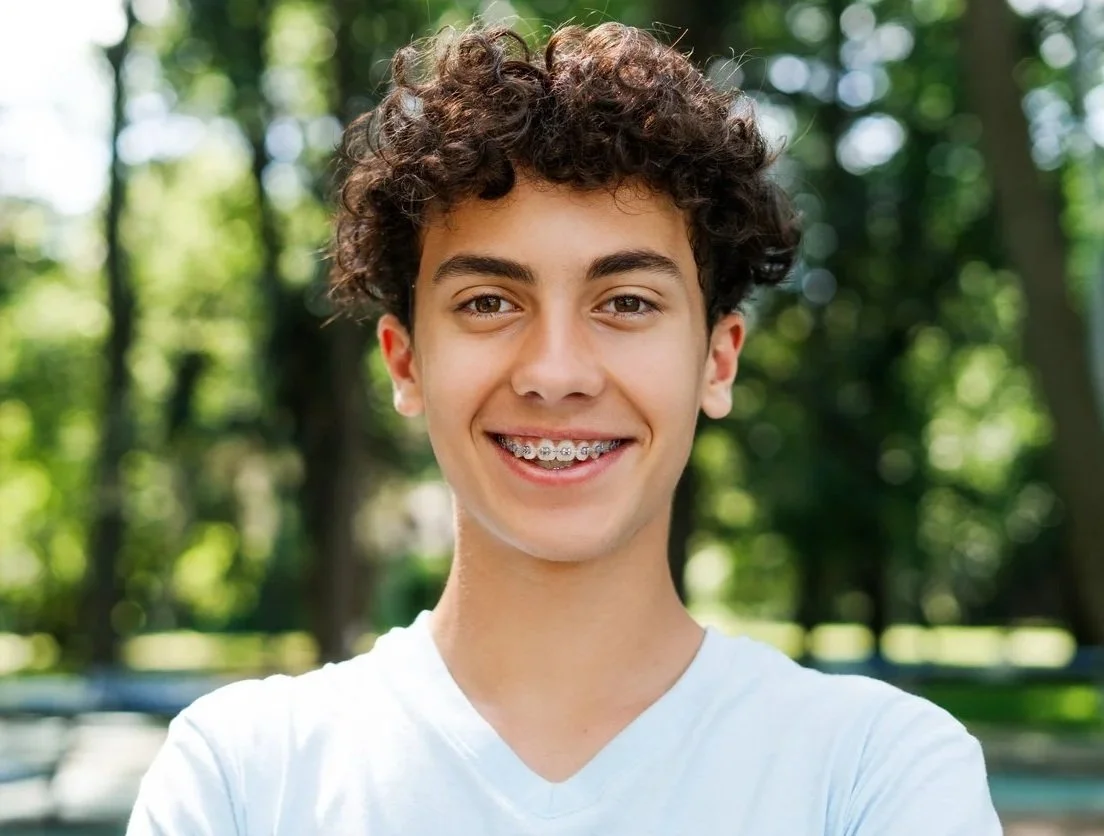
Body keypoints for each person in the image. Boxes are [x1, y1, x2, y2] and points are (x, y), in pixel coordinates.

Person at [127, 21, 1002, 835]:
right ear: (405, 363)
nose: (555, 372)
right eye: (488, 302)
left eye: (625, 302)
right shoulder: (243, 778)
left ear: (717, 360)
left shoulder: (874, 775)